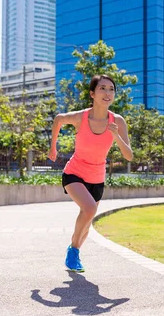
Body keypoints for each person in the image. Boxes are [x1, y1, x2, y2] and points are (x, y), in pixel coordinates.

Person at [48, 74, 133, 272]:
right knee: (89, 209)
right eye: (102, 88)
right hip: (74, 173)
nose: (107, 93)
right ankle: (74, 251)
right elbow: (59, 119)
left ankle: (73, 249)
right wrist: (53, 147)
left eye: (111, 89)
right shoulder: (81, 117)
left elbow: (128, 155)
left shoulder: (117, 121)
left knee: (87, 219)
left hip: (97, 178)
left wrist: (116, 135)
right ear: (92, 94)